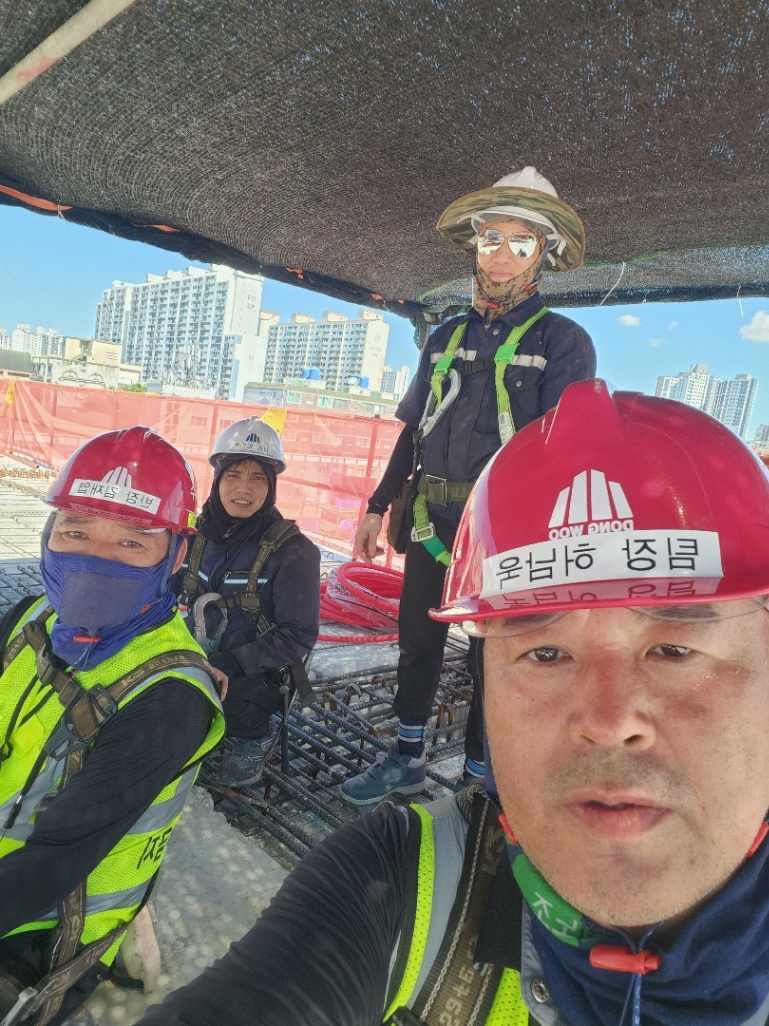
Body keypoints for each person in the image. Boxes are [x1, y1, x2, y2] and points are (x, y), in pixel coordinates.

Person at [130, 380, 769, 1026]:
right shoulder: (400, 877)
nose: (609, 723)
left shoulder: (287, 550)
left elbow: (294, 634)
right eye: (545, 653)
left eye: (673, 651)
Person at [343, 165, 596, 804]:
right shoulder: (445, 338)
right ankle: (406, 756)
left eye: (521, 241)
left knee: (496, 654)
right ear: (476, 246)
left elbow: (565, 453)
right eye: (492, 238)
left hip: (505, 530)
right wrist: (376, 508)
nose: (502, 254)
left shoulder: (563, 342)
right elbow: (413, 431)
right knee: (417, 641)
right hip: (430, 519)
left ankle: (480, 778)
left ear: (544, 253)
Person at [0, 427, 224, 1026]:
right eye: (75, 532)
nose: (95, 560)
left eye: (131, 541)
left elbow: (51, 865)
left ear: (175, 556)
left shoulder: (170, 698)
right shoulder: (31, 619)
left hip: (44, 922)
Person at [173, 417, 320, 787]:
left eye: (258, 478)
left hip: (253, 672)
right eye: (234, 475)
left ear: (271, 486)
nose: (244, 488)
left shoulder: (292, 551)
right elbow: (160, 594)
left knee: (221, 695)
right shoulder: (192, 535)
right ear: (217, 478)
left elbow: (299, 635)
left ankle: (253, 736)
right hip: (193, 650)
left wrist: (231, 663)